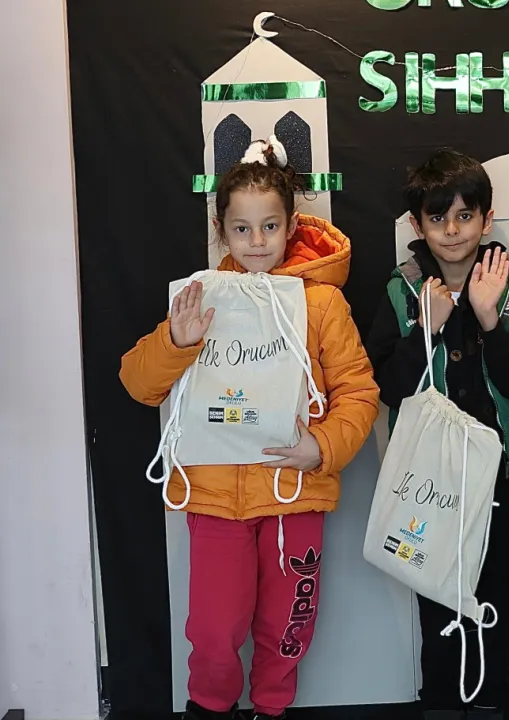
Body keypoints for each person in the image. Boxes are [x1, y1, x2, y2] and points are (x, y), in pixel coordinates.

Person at [119, 138, 379, 720]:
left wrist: (322, 447)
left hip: (293, 493)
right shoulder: (203, 299)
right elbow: (138, 382)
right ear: (222, 230)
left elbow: (358, 392)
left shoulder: (321, 304)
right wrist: (177, 341)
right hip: (216, 498)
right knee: (213, 631)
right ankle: (209, 708)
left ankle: (271, 710)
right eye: (242, 228)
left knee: (288, 625)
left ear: (291, 226)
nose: (257, 241)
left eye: (269, 226)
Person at [366, 149, 509, 720]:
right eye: (438, 218)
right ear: (417, 225)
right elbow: (390, 388)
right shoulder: (401, 290)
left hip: (501, 469)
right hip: (428, 474)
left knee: (493, 594)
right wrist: (427, 328)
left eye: (465, 216)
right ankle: (441, 702)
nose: (452, 230)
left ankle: (488, 700)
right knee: (434, 591)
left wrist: (489, 319)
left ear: (487, 219)